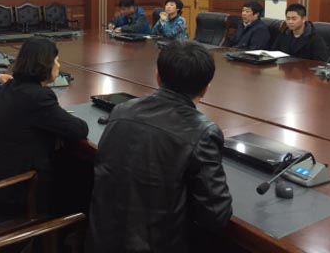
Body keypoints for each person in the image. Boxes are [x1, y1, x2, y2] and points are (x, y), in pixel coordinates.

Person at [89, 40, 233, 253]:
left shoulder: (121, 110)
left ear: (157, 76)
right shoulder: (203, 132)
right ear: (205, 89)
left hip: (101, 240)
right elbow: (216, 215)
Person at [0, 37, 88, 214]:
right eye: (56, 60)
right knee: (80, 181)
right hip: (13, 190)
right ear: (45, 64)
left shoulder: (10, 86)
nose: (58, 65)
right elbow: (79, 130)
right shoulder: (38, 97)